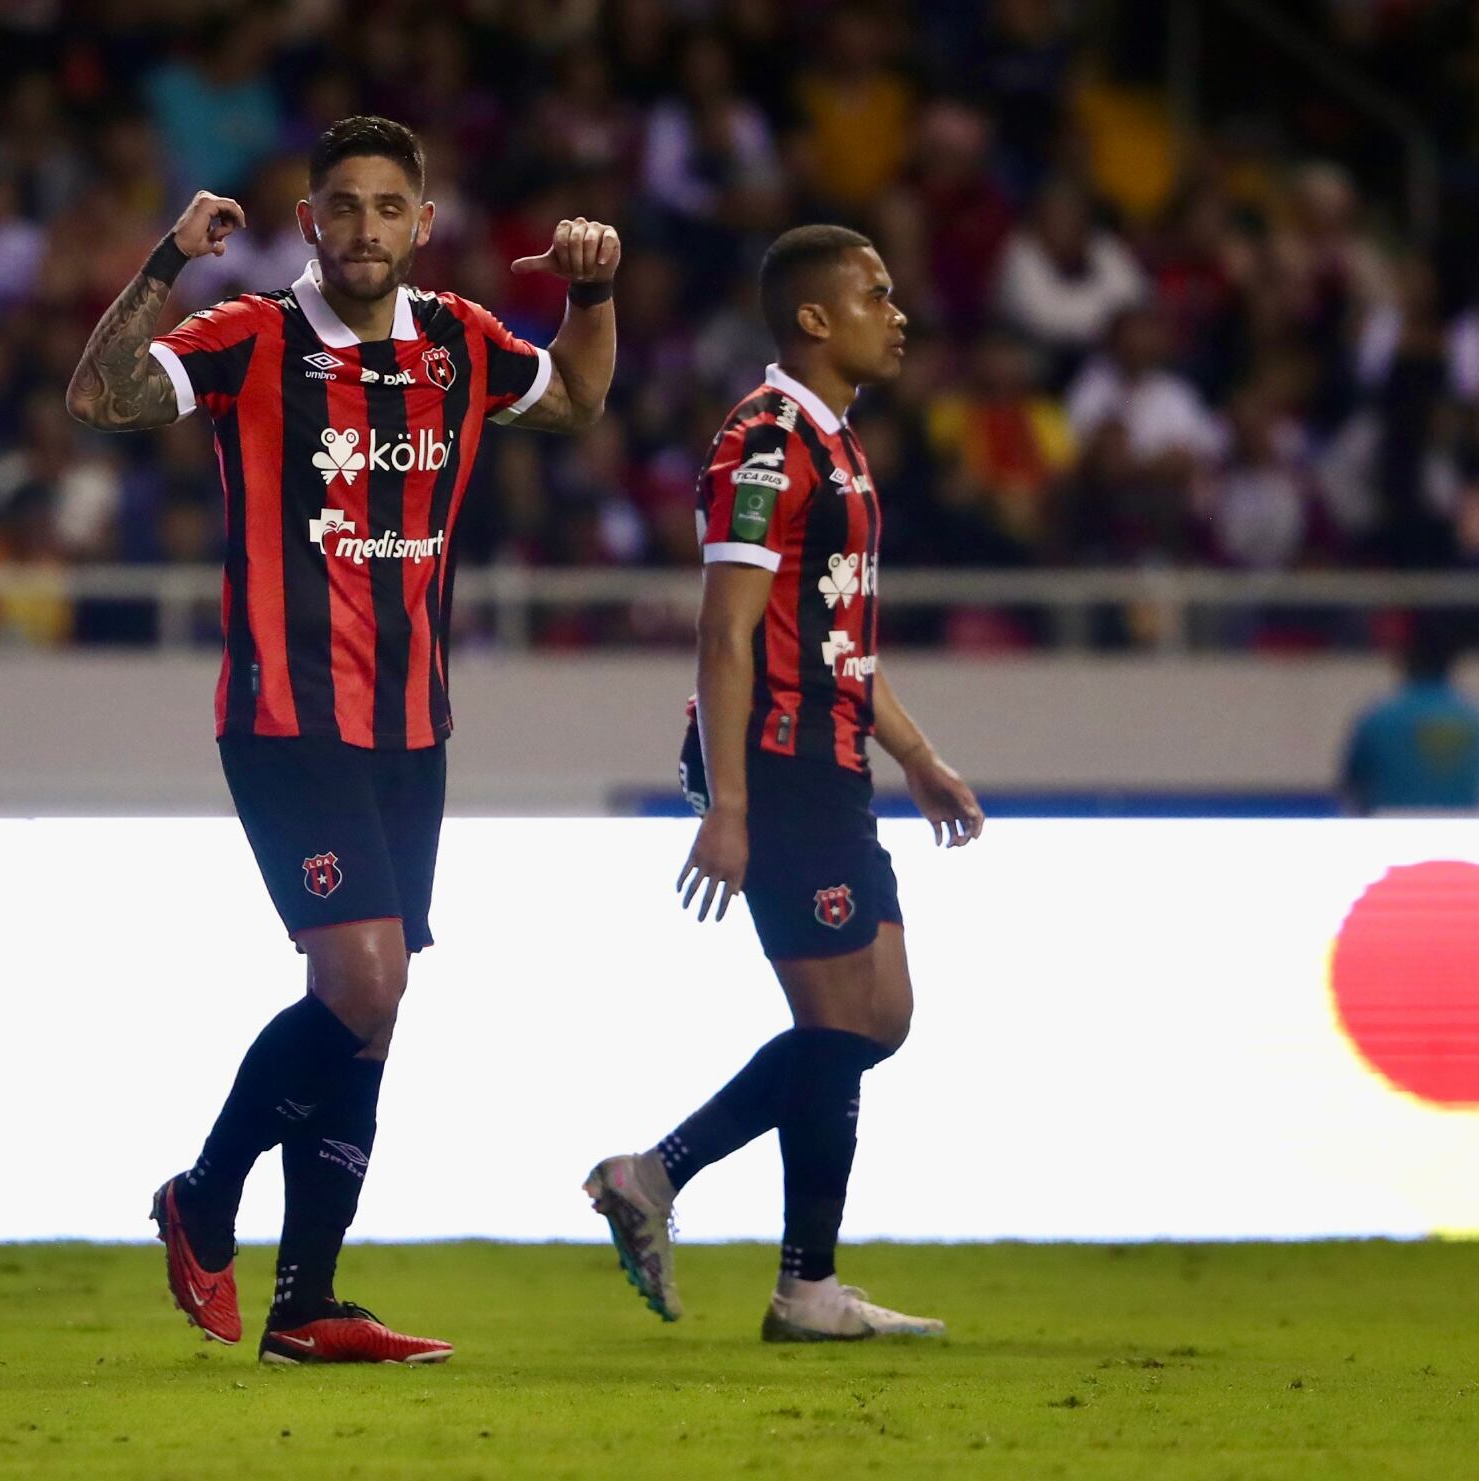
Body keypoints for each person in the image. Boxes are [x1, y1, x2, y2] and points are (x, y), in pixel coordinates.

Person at [64, 116, 618, 1365]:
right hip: (287, 719)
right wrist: (167, 259)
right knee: (363, 981)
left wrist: (590, 296)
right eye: (343, 207)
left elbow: (580, 397)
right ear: (308, 222)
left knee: (369, 1012)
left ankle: (306, 1303)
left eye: (388, 206)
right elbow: (99, 396)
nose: (365, 228)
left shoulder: (461, 341)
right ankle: (203, 1194)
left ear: (422, 224)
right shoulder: (252, 335)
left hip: (411, 728)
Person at [584, 226, 982, 1342]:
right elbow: (726, 633)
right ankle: (670, 1186)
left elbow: (837, 635)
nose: (897, 314)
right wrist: (730, 803)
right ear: (813, 319)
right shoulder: (763, 444)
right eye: (876, 294)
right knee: (847, 1021)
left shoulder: (835, 442)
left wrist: (915, 754)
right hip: (775, 760)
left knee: (875, 1017)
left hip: (831, 755)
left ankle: (793, 1275)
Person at [1341, 620, 1479, 814]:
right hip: (1458, 828)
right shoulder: (1477, 722)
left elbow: (1351, 784)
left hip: (1392, 826)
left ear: (1407, 661)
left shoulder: (1380, 718)